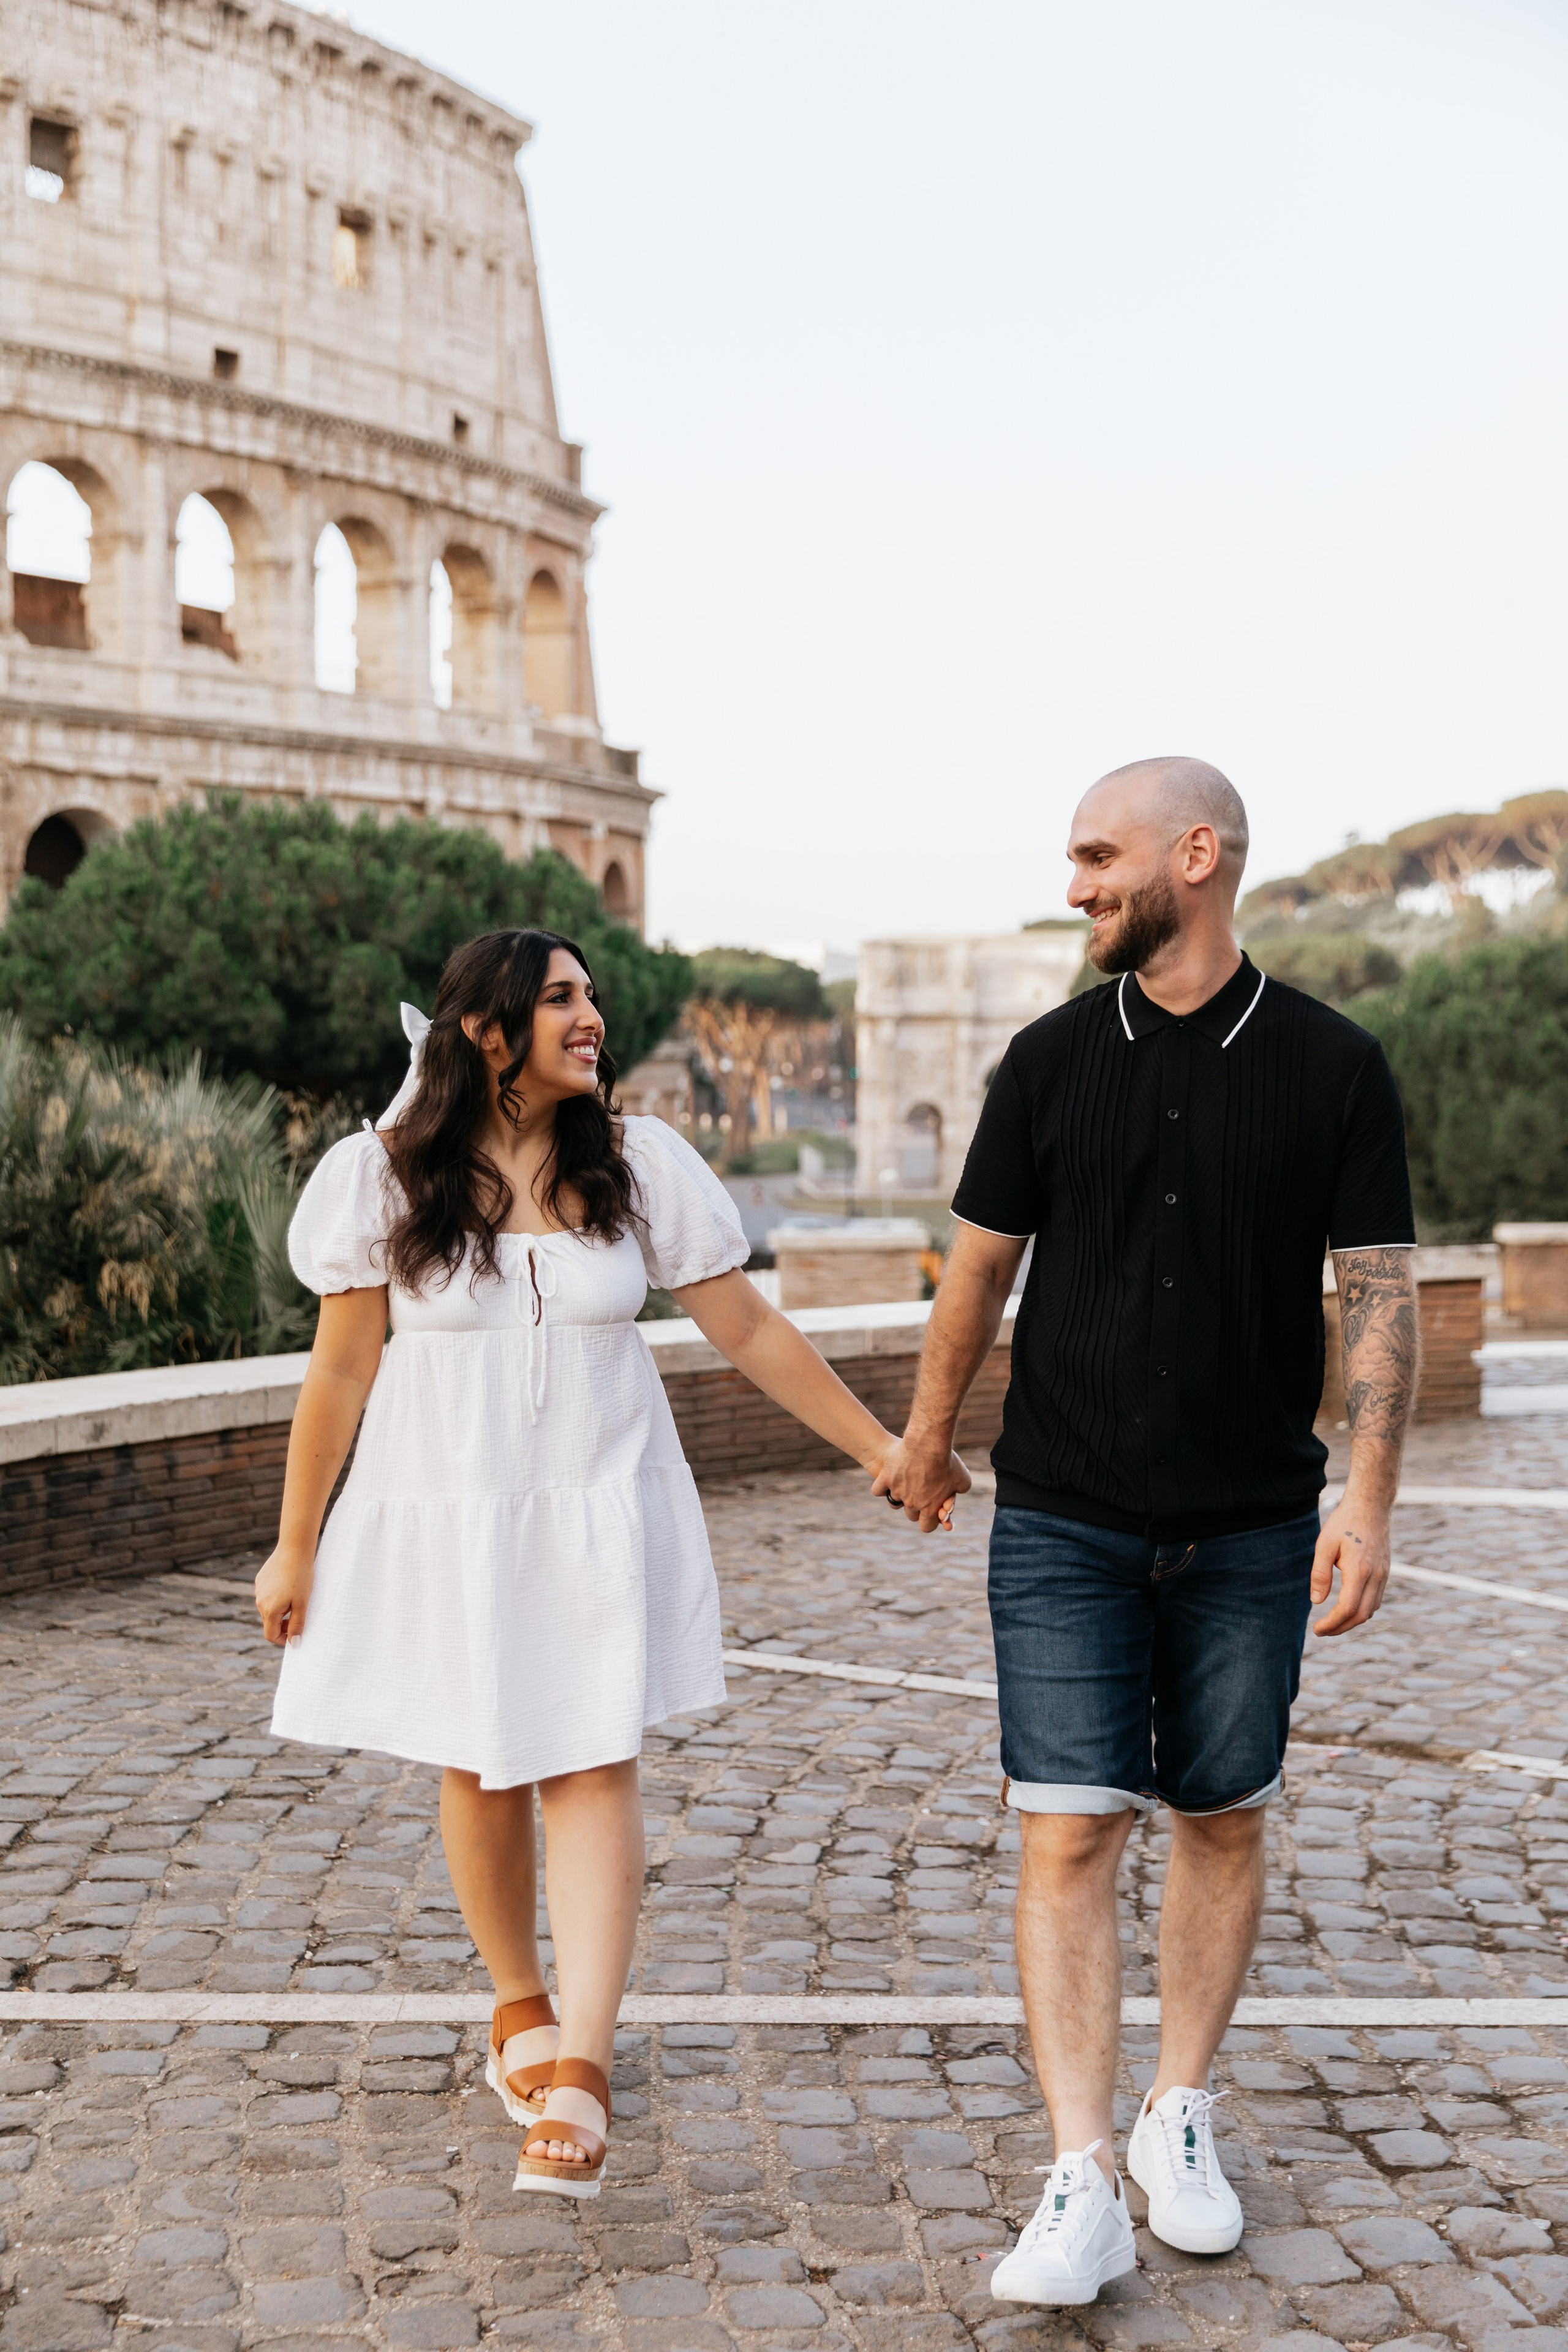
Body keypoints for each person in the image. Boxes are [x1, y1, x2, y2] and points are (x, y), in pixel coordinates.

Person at [256, 927, 965, 2198]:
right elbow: (341, 1373)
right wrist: (293, 1544)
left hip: (598, 1505)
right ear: (487, 1032)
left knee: (591, 1757)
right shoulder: (381, 1176)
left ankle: (581, 2058)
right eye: (559, 999)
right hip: (452, 1510)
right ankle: (517, 2003)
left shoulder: (638, 1163)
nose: (591, 1017)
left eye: (590, 996)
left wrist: (883, 1450)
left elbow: (748, 1325)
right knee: (478, 1760)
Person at [874, 758, 1418, 2305]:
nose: (1074, 887)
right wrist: (925, 1435)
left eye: (1096, 857)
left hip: (1251, 1526)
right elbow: (977, 1271)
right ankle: (1080, 2173)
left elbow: (1376, 1295)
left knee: (1221, 1812)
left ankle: (1177, 2109)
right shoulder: (1047, 1062)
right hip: (1062, 1516)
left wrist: (1365, 1501)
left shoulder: (1333, 1065)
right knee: (1065, 1827)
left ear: (1194, 854)